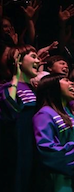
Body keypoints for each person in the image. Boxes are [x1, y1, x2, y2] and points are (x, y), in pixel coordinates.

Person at [0, 44, 40, 192]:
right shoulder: (7, 88)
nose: (38, 61)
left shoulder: (37, 91)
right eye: (33, 56)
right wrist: (15, 78)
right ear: (19, 61)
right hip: (18, 151)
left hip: (36, 150)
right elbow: (9, 113)